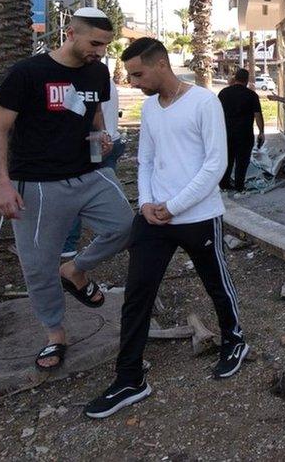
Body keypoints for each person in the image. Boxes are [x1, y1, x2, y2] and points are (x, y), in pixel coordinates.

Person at [85, 38, 246, 419]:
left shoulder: (204, 102)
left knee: (216, 284)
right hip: (153, 219)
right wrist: (145, 204)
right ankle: (129, 378)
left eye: (138, 74)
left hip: (197, 216)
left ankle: (234, 340)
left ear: (161, 65)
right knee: (137, 293)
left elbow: (215, 165)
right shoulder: (149, 109)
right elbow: (147, 161)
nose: (134, 82)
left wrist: (172, 206)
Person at [0, 7, 134, 371]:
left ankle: (75, 271)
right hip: (36, 182)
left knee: (127, 226)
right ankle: (55, 334)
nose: (100, 52)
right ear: (70, 33)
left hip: (89, 173)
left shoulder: (97, 72)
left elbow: (94, 114)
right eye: (95, 43)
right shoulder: (27, 73)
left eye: (105, 45)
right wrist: (3, 185)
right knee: (37, 265)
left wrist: (100, 135)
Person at [61, 79, 124, 258]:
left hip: (95, 142)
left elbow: (86, 115)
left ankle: (68, 244)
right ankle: (108, 237)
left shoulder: (84, 81)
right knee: (106, 189)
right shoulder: (105, 79)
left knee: (76, 191)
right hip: (110, 139)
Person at [217, 68, 264, 193]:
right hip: (244, 134)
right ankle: (239, 187)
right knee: (242, 161)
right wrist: (261, 132)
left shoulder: (223, 93)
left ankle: (224, 185)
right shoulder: (252, 95)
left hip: (226, 134)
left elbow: (216, 114)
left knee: (227, 160)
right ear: (247, 80)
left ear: (235, 78)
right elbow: (258, 115)